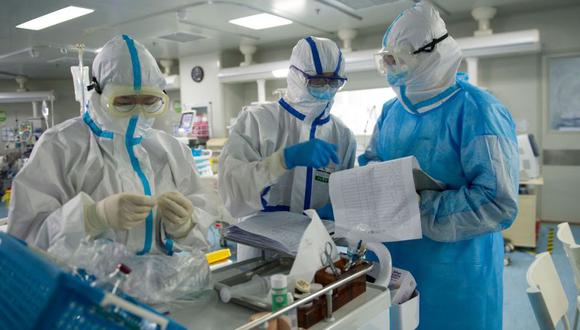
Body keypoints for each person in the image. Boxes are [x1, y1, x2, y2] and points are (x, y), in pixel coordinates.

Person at [360, 2, 519, 329]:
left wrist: (419, 208)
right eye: (386, 60)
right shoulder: (392, 111)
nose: (390, 68)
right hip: (395, 266)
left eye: (398, 60)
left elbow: (497, 202)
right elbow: (374, 159)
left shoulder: (479, 111)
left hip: (457, 276)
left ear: (431, 55)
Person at [8, 35, 218, 256]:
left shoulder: (172, 151)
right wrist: (92, 217)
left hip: (166, 286)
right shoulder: (60, 146)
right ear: (98, 93)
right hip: (86, 288)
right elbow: (23, 242)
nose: (138, 112)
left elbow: (207, 234)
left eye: (149, 101)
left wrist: (186, 227)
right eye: (124, 101)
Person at [219, 37, 356, 258]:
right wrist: (282, 161)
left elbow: (348, 196)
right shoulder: (256, 121)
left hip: (317, 250)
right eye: (318, 81)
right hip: (260, 252)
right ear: (296, 75)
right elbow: (232, 190)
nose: (327, 89)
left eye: (334, 82)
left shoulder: (343, 136)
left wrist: (339, 211)